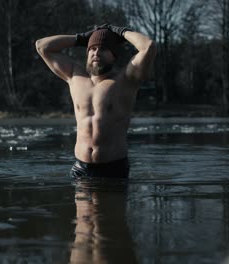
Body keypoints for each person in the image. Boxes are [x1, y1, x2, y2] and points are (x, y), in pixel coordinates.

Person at [36, 24, 156, 178]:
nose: (96, 52)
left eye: (104, 49)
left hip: (113, 168)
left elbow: (148, 46)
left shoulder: (126, 79)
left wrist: (121, 32)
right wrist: (81, 38)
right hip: (80, 168)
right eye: (92, 48)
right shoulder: (74, 76)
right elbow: (42, 46)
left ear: (114, 55)